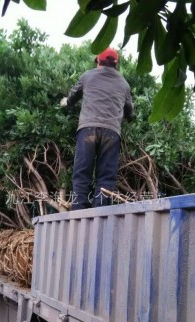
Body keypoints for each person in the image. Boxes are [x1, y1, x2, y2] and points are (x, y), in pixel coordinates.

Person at [60, 48, 134, 210]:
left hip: (88, 130)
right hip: (111, 133)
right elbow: (130, 111)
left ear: (98, 62)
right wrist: (127, 117)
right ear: (116, 64)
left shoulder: (88, 76)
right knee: (106, 177)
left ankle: (79, 211)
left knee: (82, 173)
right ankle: (100, 214)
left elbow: (72, 97)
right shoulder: (124, 84)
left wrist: (65, 102)